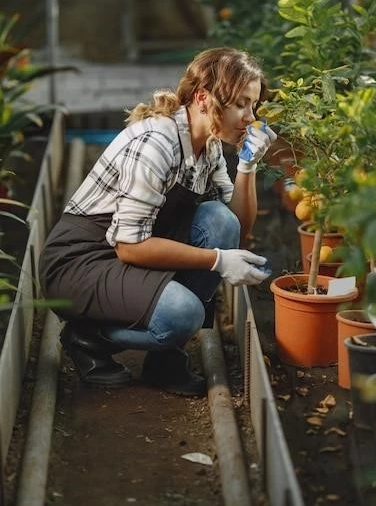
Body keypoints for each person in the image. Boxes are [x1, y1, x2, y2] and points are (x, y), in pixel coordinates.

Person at [38, 47, 277, 397]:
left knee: (219, 221)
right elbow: (130, 247)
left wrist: (248, 166)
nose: (250, 117)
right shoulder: (158, 143)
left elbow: (237, 227)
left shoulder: (207, 147)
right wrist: (218, 261)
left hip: (124, 251)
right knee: (182, 314)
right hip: (80, 263)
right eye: (241, 104)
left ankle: (164, 362)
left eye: (253, 106)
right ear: (203, 98)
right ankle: (88, 337)